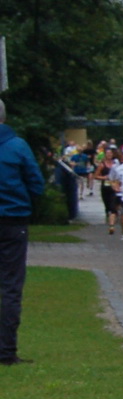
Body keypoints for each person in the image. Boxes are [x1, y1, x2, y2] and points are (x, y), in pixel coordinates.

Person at [0, 99, 45, 366]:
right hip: (13, 221)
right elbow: (36, 183)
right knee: (11, 286)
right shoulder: (17, 146)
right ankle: (6, 350)